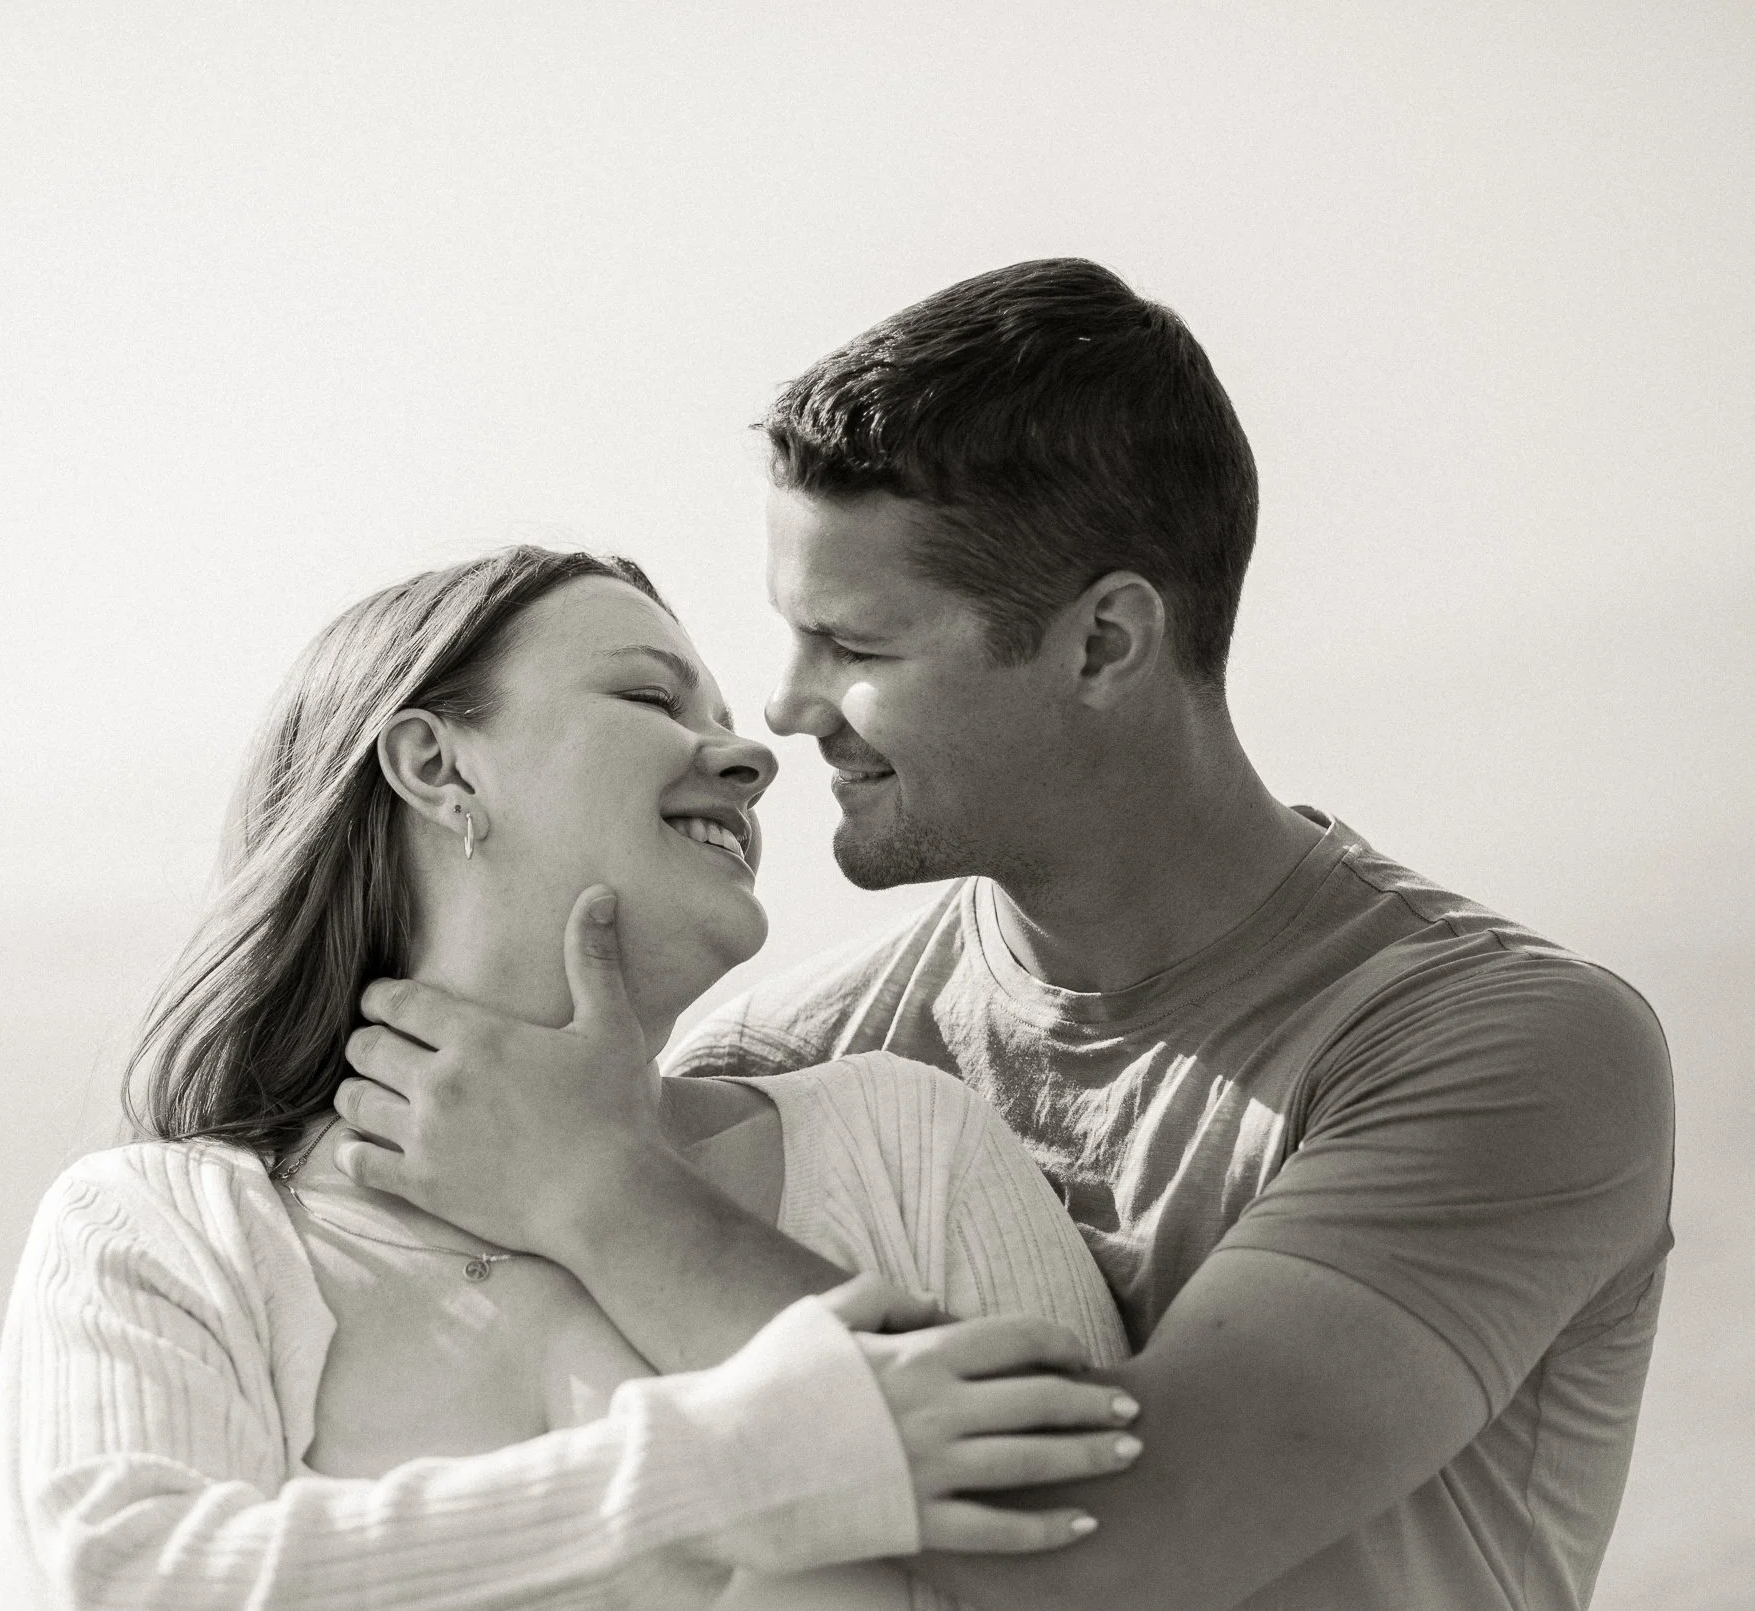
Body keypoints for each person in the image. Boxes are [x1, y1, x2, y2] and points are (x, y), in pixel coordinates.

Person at [330, 261, 1674, 1611]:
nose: (787, 712)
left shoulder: (1508, 1047)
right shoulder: (784, 1063)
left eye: (856, 645)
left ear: (1102, 643)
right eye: (789, 634)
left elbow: (1111, 1541)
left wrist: (603, 1192)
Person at [0, 545, 1146, 1611]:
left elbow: (1133, 1556)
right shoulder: (164, 1227)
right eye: (649, 696)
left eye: (726, 722)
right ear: (435, 764)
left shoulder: (899, 1140)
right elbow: (115, 1582)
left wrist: (602, 1183)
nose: (750, 760)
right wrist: (763, 1461)